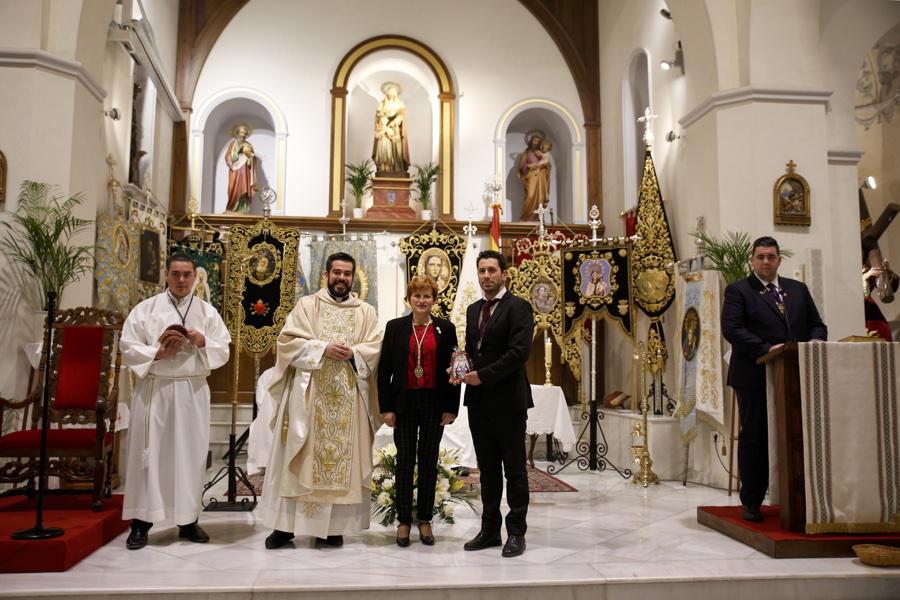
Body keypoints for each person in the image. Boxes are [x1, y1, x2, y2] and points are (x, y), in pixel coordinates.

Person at [262, 252, 382, 549]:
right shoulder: (307, 305)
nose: (342, 278)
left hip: (349, 399)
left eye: (347, 273)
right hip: (308, 398)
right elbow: (287, 342)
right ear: (326, 275)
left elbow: (376, 347)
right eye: (336, 272)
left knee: (340, 463)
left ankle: (331, 529)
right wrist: (322, 348)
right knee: (299, 458)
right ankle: (286, 528)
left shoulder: (366, 312)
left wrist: (355, 353)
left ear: (353, 278)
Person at [120, 253, 231, 550]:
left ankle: (188, 520)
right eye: (175, 274)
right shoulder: (146, 310)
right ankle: (141, 523)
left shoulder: (207, 312)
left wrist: (201, 341)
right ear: (166, 275)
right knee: (148, 456)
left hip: (192, 390)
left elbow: (223, 350)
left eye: (187, 275)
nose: (181, 280)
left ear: (195, 276)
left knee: (190, 456)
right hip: (156, 389)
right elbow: (127, 346)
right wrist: (157, 353)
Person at [721, 236, 827, 523]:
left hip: (794, 375)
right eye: (760, 257)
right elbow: (732, 329)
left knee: (797, 436)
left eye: (771, 256)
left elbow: (816, 324)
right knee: (755, 437)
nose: (766, 262)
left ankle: (799, 498)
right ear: (752, 261)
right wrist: (767, 349)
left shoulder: (798, 290)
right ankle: (752, 501)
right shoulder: (739, 291)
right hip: (754, 375)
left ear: (779, 260)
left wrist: (816, 341)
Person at [457, 249, 534, 557]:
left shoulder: (519, 307)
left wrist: (482, 375)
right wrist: (460, 367)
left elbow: (518, 353)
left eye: (491, 270)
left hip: (509, 401)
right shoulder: (474, 309)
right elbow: (471, 348)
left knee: (514, 470)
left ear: (504, 274)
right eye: (482, 271)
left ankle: (516, 532)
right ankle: (490, 530)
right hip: (479, 402)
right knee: (487, 470)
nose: (486, 275)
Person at [377, 275, 460, 547]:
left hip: (435, 403)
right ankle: (403, 521)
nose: (422, 300)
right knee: (404, 461)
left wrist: (451, 407)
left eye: (427, 296)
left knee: (428, 461)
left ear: (434, 300)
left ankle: (424, 520)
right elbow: (384, 370)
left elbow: (454, 369)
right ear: (409, 299)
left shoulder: (446, 329)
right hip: (404, 403)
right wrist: (386, 407)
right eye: (417, 295)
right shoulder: (395, 327)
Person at [371, 82, 409, 175]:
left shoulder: (400, 104)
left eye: (392, 95)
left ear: (395, 95)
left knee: (397, 149)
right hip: (384, 130)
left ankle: (398, 168)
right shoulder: (382, 104)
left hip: (396, 130)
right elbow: (378, 116)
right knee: (384, 151)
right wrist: (383, 121)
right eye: (389, 95)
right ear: (386, 94)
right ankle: (384, 168)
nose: (390, 97)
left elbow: (401, 115)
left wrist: (394, 121)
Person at [517, 133, 551, 220]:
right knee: (530, 196)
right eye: (534, 140)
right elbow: (522, 166)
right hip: (531, 177)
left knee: (540, 198)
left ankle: (538, 217)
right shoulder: (526, 153)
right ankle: (527, 216)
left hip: (540, 178)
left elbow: (547, 165)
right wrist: (528, 166)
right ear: (531, 141)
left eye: (538, 141)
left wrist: (542, 166)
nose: (536, 142)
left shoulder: (541, 153)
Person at [225, 123, 257, 213]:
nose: (243, 135)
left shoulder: (249, 145)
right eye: (242, 132)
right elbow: (228, 157)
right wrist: (238, 152)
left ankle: (243, 208)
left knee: (244, 187)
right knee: (233, 188)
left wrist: (250, 156)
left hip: (244, 169)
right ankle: (232, 207)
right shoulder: (232, 144)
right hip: (235, 170)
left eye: (245, 133)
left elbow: (253, 158)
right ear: (237, 133)